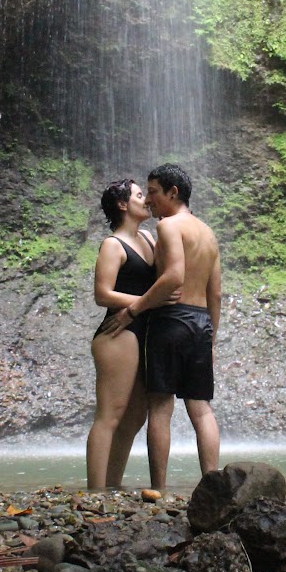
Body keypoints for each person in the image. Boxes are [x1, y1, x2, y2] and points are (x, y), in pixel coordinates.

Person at [107, 163, 221, 490]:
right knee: (201, 410)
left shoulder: (170, 226)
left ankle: (159, 489)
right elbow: (216, 292)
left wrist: (134, 309)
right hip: (201, 323)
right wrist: (212, 336)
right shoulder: (208, 233)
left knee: (160, 407)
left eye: (154, 192)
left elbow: (173, 277)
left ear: (173, 192)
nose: (151, 200)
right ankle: (212, 486)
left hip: (171, 321)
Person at [85, 178, 159, 490]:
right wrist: (148, 302)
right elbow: (102, 294)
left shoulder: (149, 237)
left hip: (142, 330)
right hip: (118, 332)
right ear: (122, 204)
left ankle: (112, 485)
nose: (147, 200)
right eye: (140, 195)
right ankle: (95, 491)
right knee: (109, 415)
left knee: (135, 416)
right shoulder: (113, 245)